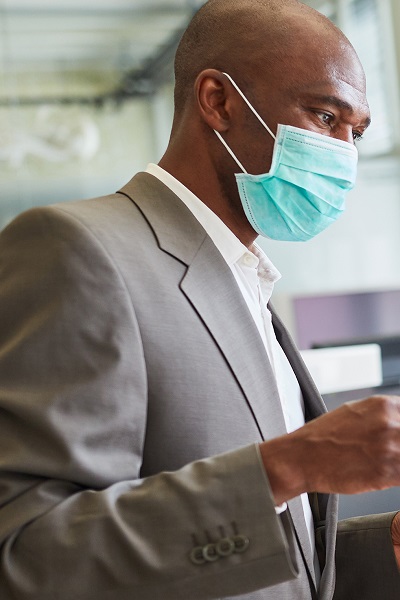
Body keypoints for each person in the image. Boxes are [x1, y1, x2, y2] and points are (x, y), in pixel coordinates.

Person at [0, 0, 399, 598]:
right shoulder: (77, 249)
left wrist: (386, 546)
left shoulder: (244, 278)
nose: (344, 152)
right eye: (324, 116)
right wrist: (291, 465)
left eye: (356, 132)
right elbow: (29, 552)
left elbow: (248, 551)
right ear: (218, 100)